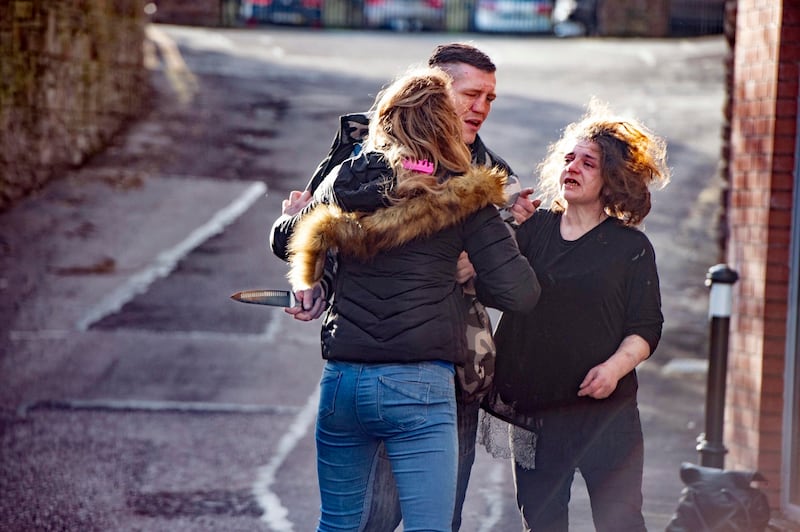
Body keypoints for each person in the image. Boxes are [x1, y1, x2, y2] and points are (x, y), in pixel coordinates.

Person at [270, 42, 537, 531]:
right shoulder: (365, 158)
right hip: (416, 376)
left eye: (490, 98)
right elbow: (302, 238)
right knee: (379, 519)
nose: (480, 107)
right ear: (434, 91)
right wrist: (316, 282)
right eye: (469, 94)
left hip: (432, 373)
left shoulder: (494, 177)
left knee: (373, 520)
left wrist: (477, 263)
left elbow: (303, 229)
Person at [479, 100, 671, 532]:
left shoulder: (630, 248)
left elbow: (646, 327)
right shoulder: (532, 229)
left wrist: (613, 369)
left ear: (612, 178)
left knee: (620, 522)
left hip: (607, 415)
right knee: (542, 522)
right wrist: (509, 226)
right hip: (535, 409)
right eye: (569, 158)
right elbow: (488, 285)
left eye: (589, 162)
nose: (574, 167)